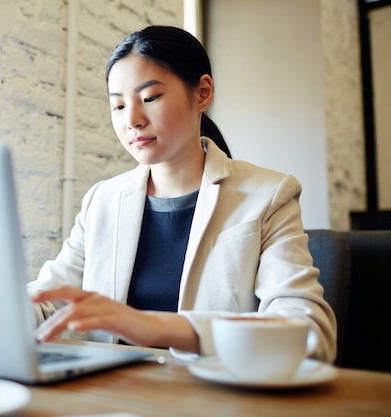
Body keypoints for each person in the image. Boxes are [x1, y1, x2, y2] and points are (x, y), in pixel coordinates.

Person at [28, 25, 336, 363]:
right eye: (118, 106)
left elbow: (309, 332)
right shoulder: (102, 200)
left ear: (202, 93)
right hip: (112, 398)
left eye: (150, 98)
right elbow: (50, 302)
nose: (132, 120)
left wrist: (157, 327)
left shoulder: (268, 195)